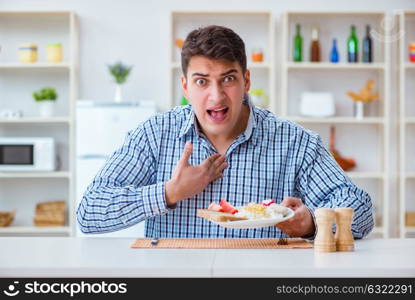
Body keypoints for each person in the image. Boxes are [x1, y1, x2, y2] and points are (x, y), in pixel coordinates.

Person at [77, 25, 373, 239]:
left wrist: (311, 223)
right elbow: (89, 213)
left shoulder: (295, 141)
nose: (216, 97)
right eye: (202, 81)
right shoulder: (155, 134)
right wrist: (171, 192)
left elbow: (360, 209)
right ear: (185, 87)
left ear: (246, 80)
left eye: (228, 79)